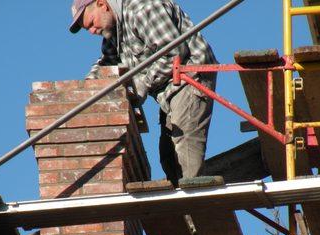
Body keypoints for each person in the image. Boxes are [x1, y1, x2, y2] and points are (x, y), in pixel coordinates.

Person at [69, 0, 217, 186]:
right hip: (169, 91)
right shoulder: (114, 32)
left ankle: (195, 206)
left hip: (191, 78)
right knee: (169, 158)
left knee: (185, 152)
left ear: (102, 4)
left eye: (91, 23)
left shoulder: (142, 9)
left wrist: (141, 84)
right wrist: (85, 90)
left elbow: (174, 54)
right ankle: (185, 208)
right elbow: (107, 64)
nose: (91, 31)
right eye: (87, 29)